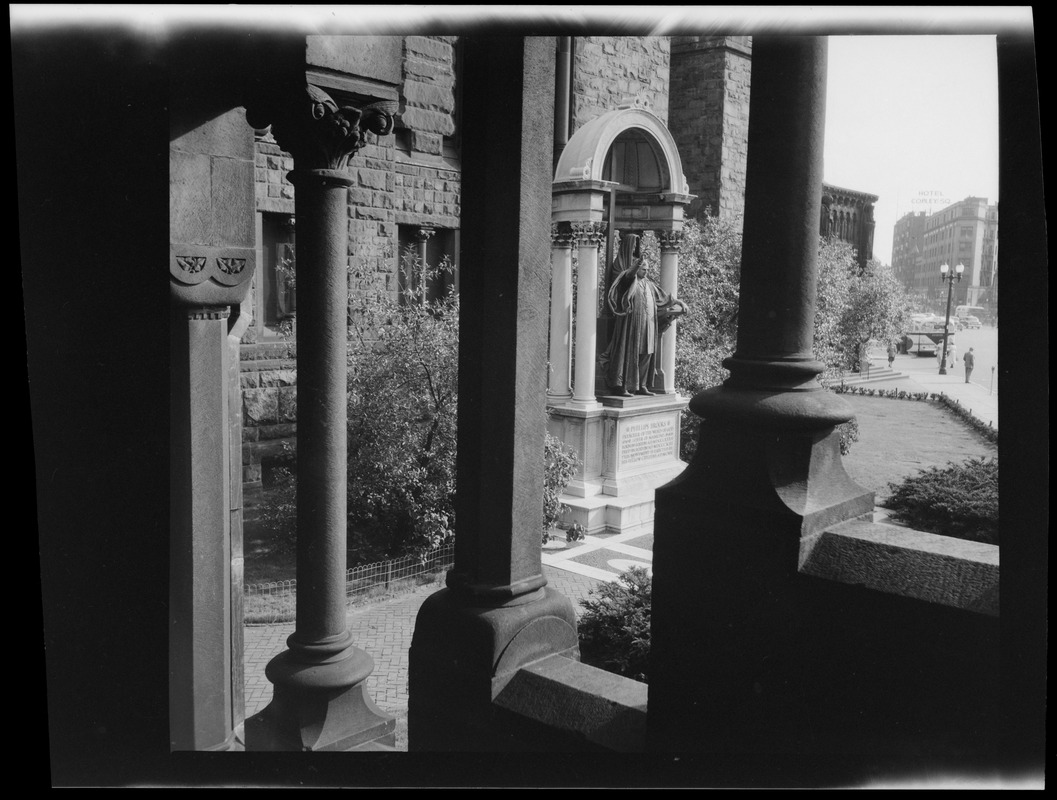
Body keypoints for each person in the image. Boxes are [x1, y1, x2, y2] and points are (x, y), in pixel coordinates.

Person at [603, 233, 688, 397]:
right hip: (632, 324)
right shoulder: (630, 279)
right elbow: (628, 275)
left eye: (647, 269)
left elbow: (664, 297)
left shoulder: (649, 284)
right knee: (630, 353)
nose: (646, 271)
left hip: (648, 324)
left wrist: (679, 302)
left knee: (647, 353)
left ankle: (642, 385)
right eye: (643, 268)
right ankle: (625, 387)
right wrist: (636, 265)